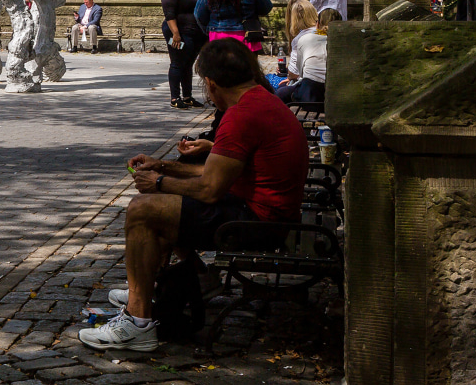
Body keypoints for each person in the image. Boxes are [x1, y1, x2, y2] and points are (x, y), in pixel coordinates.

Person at [77, 39, 308, 351]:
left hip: (259, 223)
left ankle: (138, 320)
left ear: (211, 84)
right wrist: (163, 166)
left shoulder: (241, 115)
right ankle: (163, 287)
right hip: (267, 213)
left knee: (143, 210)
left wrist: (158, 182)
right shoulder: (259, 101)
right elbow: (217, 171)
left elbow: (209, 189)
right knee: (161, 209)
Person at [161, 0, 205, 109]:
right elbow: (169, 14)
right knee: (177, 63)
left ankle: (187, 97)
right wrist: (176, 34)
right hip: (178, 33)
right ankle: (175, 98)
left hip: (194, 34)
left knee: (188, 64)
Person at [279, 6, 335, 104]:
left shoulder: (305, 39)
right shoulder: (345, 42)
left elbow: (300, 72)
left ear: (317, 24)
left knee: (280, 93)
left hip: (310, 96)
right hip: (335, 97)